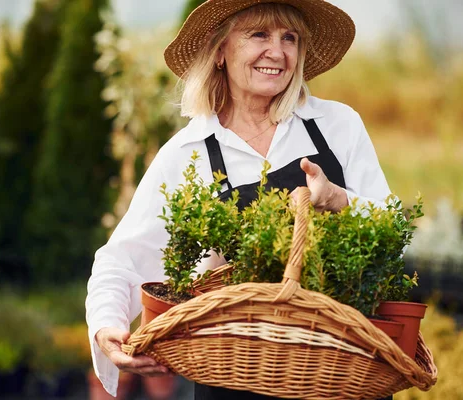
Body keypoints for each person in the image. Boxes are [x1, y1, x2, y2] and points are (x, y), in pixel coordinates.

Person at [86, 0, 393, 399]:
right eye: (259, 35)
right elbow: (122, 258)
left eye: (290, 38)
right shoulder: (187, 154)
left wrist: (339, 199)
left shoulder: (337, 126)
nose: (278, 52)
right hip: (235, 377)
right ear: (219, 51)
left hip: (339, 370)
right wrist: (106, 326)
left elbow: (394, 229)